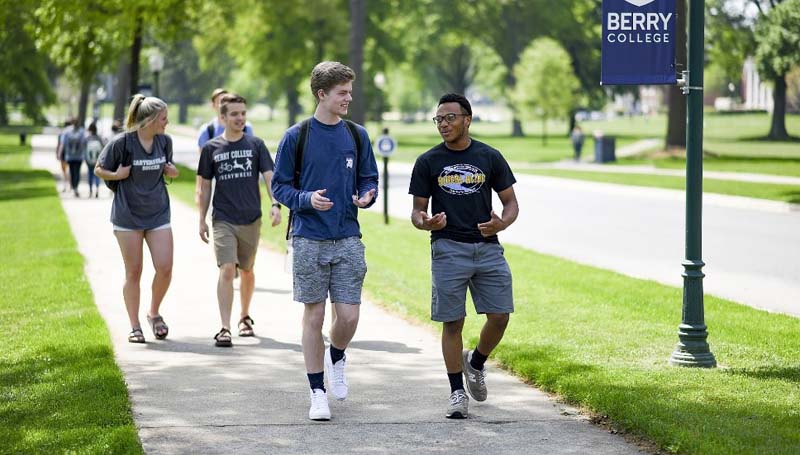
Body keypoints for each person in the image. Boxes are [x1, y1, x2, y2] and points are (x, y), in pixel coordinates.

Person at [272, 61, 379, 421]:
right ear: (322, 94)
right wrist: (307, 200)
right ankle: (317, 392)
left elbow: (369, 178)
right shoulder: (296, 136)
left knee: (348, 316)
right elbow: (280, 187)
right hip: (309, 239)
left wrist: (367, 195)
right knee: (314, 316)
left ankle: (337, 355)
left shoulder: (357, 135)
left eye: (350, 91)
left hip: (348, 236)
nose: (349, 98)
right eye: (342, 93)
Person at [408, 93, 519, 419]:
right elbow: (416, 211)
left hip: (487, 247)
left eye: (450, 118)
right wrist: (425, 222)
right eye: (439, 119)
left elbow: (511, 202)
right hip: (448, 247)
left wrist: (502, 222)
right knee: (452, 321)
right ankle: (457, 392)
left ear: (467, 119)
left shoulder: (489, 156)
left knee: (500, 316)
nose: (443, 124)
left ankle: (477, 362)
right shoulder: (428, 161)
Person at [197, 93, 281, 347]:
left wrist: (275, 204)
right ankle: (225, 327)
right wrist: (201, 219)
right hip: (223, 218)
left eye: (243, 113)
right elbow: (204, 187)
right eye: (234, 114)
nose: (240, 118)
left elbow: (269, 177)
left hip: (251, 218)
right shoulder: (211, 148)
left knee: (247, 270)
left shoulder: (255, 145)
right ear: (222, 117)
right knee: (227, 268)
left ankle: (244, 316)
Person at [94, 95, 180, 343]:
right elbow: (99, 169)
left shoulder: (164, 142)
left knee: (165, 268)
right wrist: (117, 174)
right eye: (163, 118)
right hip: (127, 215)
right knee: (134, 271)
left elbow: (169, 165)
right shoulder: (122, 143)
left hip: (158, 213)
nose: (167, 122)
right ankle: (135, 326)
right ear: (150, 119)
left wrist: (171, 171)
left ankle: (153, 313)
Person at [62, 119, 86, 197]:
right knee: (77, 172)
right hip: (79, 156)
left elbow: (64, 143)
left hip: (70, 156)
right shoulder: (82, 131)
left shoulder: (67, 131)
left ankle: (73, 186)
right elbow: (84, 143)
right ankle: (76, 187)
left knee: (72, 172)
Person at [85, 122, 105, 198]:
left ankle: (90, 191)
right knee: (97, 175)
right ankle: (97, 190)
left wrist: (86, 159)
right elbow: (103, 149)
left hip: (89, 160)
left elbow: (85, 150)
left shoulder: (88, 138)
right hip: (97, 160)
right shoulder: (99, 138)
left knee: (90, 174)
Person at [55, 119, 74, 192]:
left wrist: (58, 154)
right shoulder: (73, 133)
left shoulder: (62, 133)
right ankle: (70, 185)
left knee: (64, 171)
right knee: (70, 170)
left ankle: (65, 185)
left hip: (63, 153)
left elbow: (59, 144)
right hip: (71, 153)